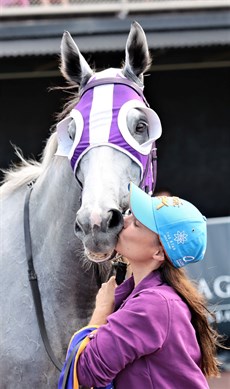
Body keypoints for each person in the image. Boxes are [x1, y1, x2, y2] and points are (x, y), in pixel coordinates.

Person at [59, 182, 222, 389]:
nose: (123, 221)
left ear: (159, 253)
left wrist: (101, 310)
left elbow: (84, 371)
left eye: (136, 223)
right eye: (129, 213)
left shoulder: (152, 305)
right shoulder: (151, 297)